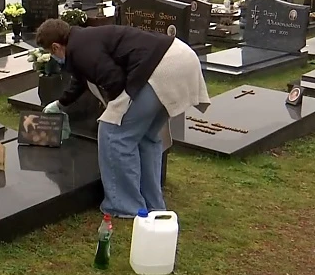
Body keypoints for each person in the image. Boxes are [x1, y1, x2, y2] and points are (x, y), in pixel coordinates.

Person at [37, 20, 210, 218]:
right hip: (180, 58)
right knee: (146, 137)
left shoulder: (80, 48)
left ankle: (125, 206)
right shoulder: (83, 40)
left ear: (56, 47)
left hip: (160, 68)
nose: (53, 57)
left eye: (51, 53)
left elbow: (115, 81)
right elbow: (82, 79)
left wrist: (116, 109)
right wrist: (60, 104)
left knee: (113, 134)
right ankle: (153, 204)